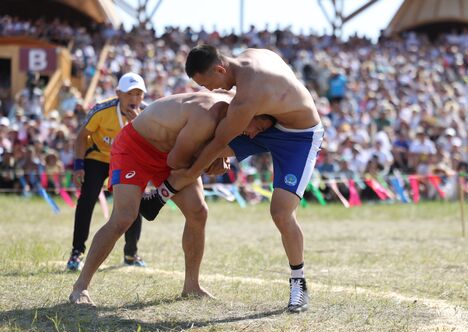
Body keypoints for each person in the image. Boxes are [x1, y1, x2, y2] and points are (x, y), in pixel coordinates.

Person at [140, 45, 324, 313]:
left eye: (208, 84)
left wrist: (211, 159)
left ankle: (299, 283)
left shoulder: (248, 96)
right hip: (266, 120)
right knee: (202, 150)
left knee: (280, 213)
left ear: (220, 68)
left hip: (300, 135)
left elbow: (219, 142)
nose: (211, 91)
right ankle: (160, 195)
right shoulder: (252, 56)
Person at [69, 90, 240, 306]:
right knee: (124, 217)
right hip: (136, 147)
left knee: (198, 211)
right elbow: (179, 160)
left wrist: (219, 158)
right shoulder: (214, 109)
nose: (252, 133)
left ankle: (191, 286)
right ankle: (80, 287)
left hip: (171, 152)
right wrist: (208, 161)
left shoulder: (238, 106)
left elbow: (210, 145)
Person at [66, 72, 147, 271]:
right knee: (87, 200)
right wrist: (78, 166)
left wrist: (138, 124)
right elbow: (81, 137)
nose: (134, 99)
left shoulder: (146, 115)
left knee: (133, 203)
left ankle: (131, 253)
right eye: (129, 94)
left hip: (126, 162)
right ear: (118, 93)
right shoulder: (101, 110)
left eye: (139, 94)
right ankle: (77, 252)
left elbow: (149, 145)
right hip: (98, 158)